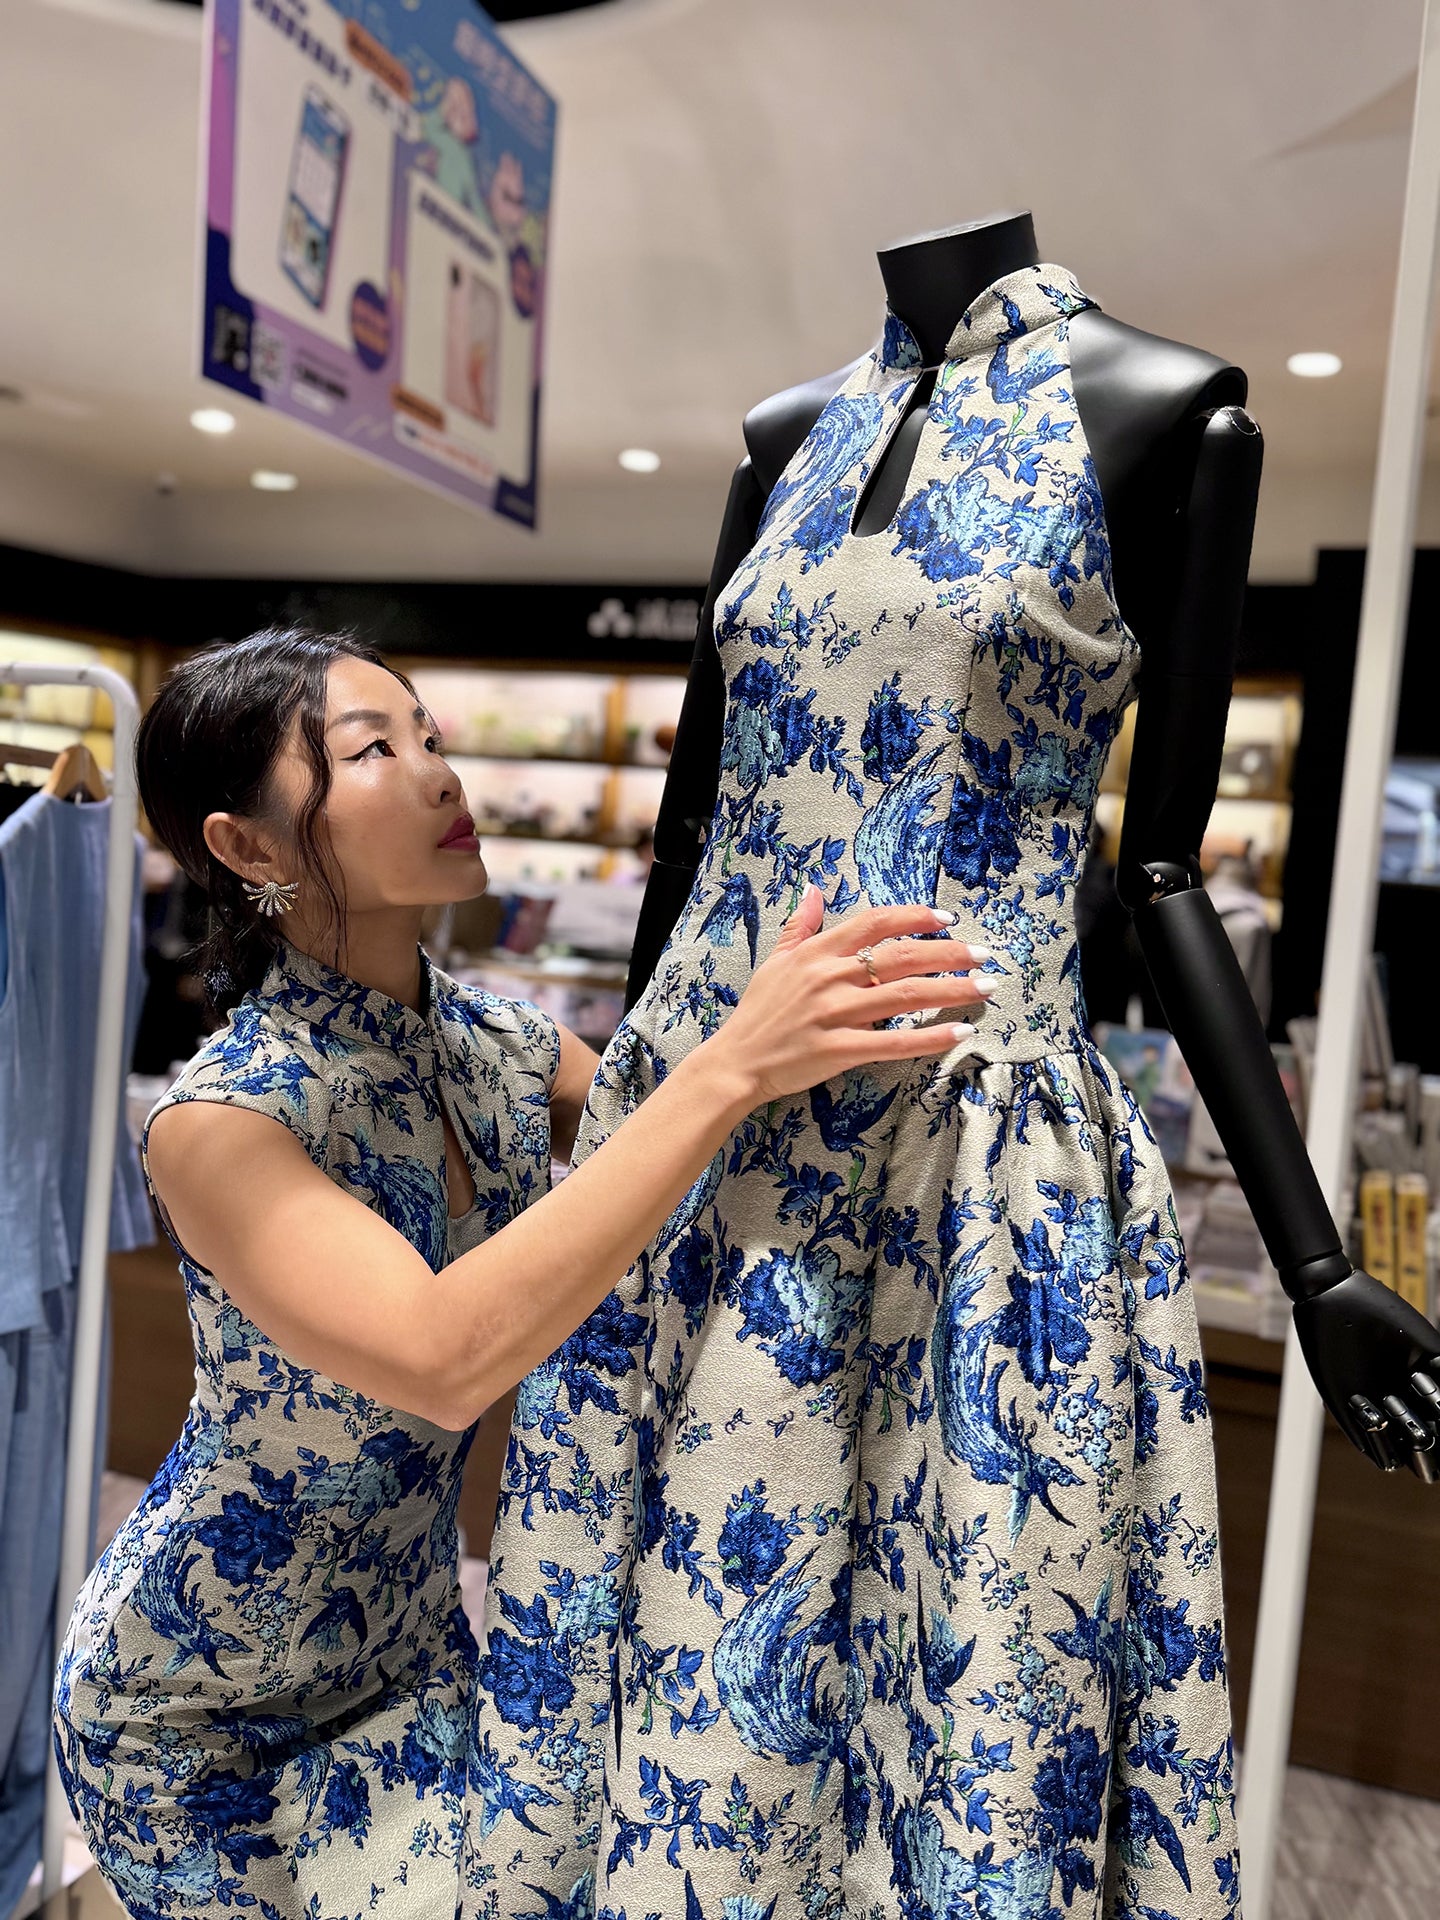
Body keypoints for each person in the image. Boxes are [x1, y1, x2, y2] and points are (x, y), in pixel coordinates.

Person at [50, 628, 990, 1920]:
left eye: (429, 734)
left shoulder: (491, 1037)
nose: (439, 772)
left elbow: (672, 1163)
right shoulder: (219, 1119)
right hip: (201, 1714)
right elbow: (442, 1354)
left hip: (413, 1650)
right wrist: (729, 1064)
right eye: (372, 750)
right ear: (247, 848)